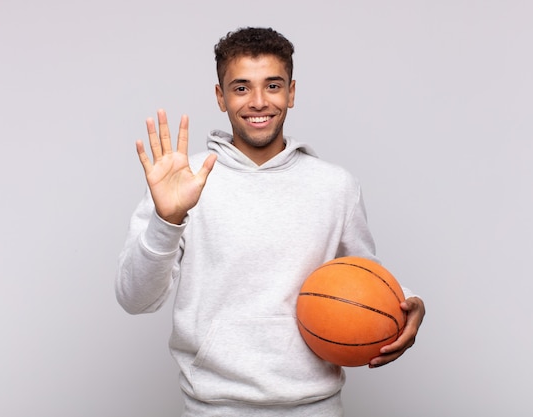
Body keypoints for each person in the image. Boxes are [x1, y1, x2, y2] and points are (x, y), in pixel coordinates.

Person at [116, 26, 425, 417]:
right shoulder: (182, 181)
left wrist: (409, 303)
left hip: (316, 408)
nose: (258, 102)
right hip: (213, 409)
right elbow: (134, 298)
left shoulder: (335, 186)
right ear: (221, 97)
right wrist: (167, 218)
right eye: (241, 87)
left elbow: (362, 278)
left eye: (273, 86)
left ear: (292, 93)